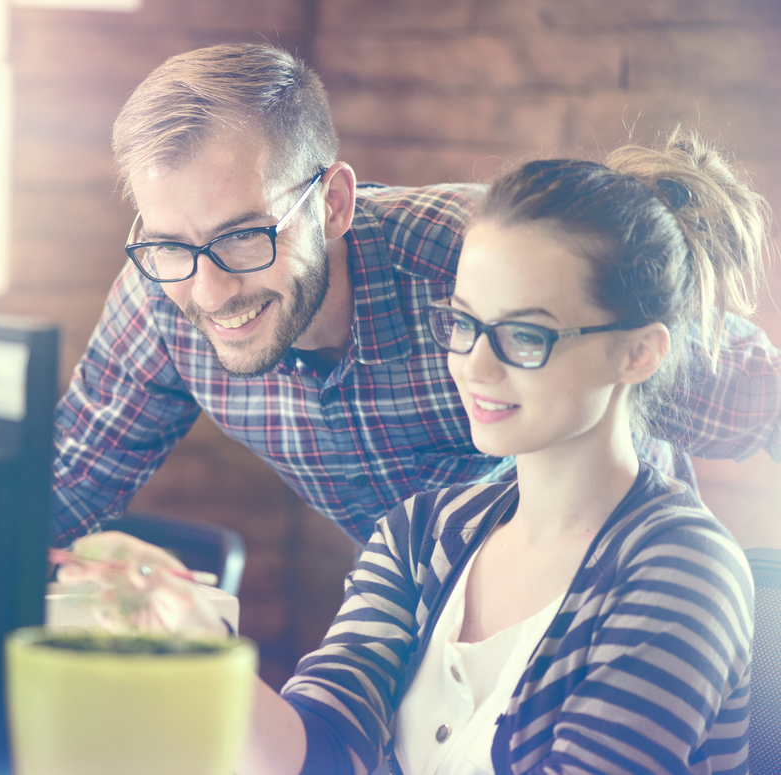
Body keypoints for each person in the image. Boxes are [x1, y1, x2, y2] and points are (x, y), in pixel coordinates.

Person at [51, 42, 781, 549]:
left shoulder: (479, 265)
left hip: (612, 607)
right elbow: (65, 484)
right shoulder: (163, 290)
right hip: (439, 623)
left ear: (332, 203)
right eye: (173, 245)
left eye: (245, 236)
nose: (208, 289)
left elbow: (762, 398)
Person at [232, 130, 761, 774]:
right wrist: (194, 657)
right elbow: (320, 751)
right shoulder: (419, 535)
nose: (474, 365)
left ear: (638, 353)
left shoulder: (683, 571)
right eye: (463, 323)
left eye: (524, 334)